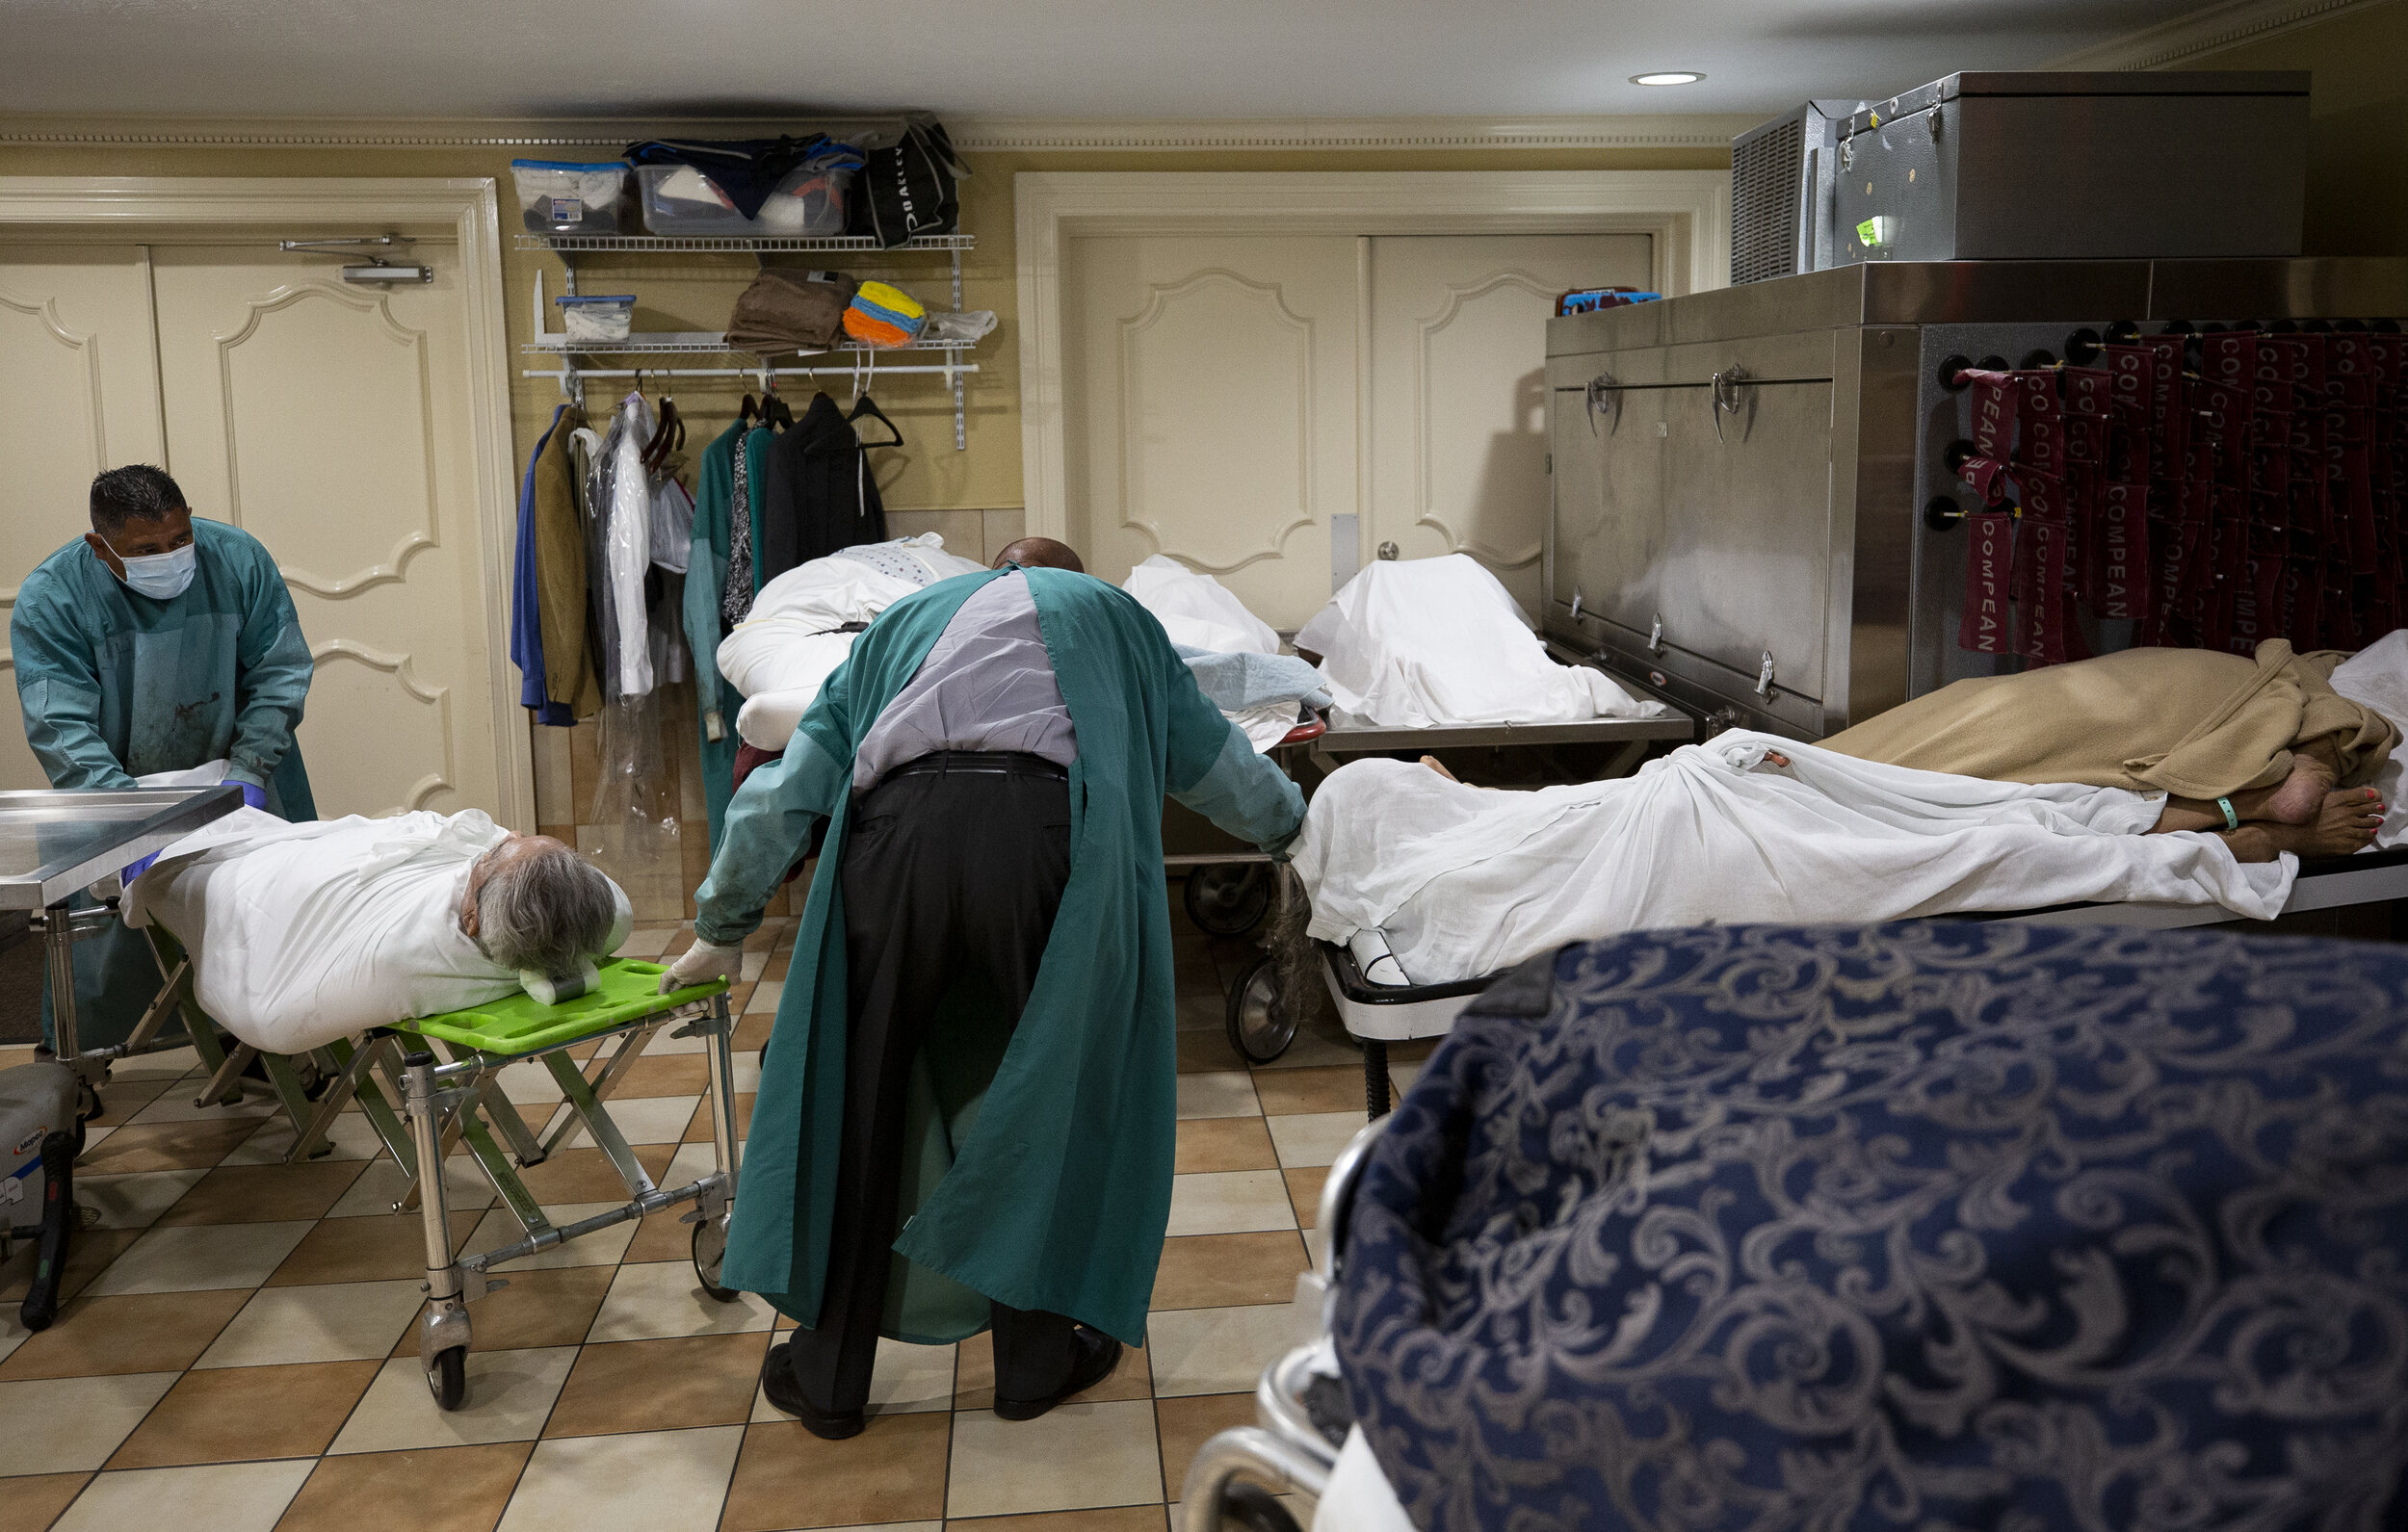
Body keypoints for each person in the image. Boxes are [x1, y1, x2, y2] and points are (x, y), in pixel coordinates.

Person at [658, 547, 1304, 1440]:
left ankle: (830, 1376)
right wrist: (1293, 830)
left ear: (986, 572)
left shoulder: (900, 625)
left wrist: (722, 922)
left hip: (895, 841)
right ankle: (1034, 1362)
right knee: (1043, 1095)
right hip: (1044, 836)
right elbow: (1210, 756)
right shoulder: (1112, 615)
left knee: (862, 1097)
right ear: (1080, 576)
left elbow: (790, 784)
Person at [11, 465, 317, 1053]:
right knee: (110, 940)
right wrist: (130, 817)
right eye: (146, 549)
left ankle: (256, 1047)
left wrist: (250, 771)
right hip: (117, 784)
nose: (170, 557)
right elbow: (60, 724)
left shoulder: (237, 560)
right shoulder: (55, 598)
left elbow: (280, 674)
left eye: (180, 540)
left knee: (260, 915)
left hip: (236, 770)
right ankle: (78, 1062)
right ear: (100, 547)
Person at [1819, 639, 2397, 861]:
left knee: (1980, 763)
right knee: (1982, 756)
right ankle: (2274, 800)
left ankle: (2287, 790)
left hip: (2212, 696)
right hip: (2209, 695)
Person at [125, 807, 625, 1056]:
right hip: (357, 862)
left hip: (281, 884)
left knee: (204, 870)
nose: (508, 835)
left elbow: (271, 1011)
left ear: (470, 917)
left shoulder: (398, 957)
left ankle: (160, 865)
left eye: (492, 854)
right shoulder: (606, 915)